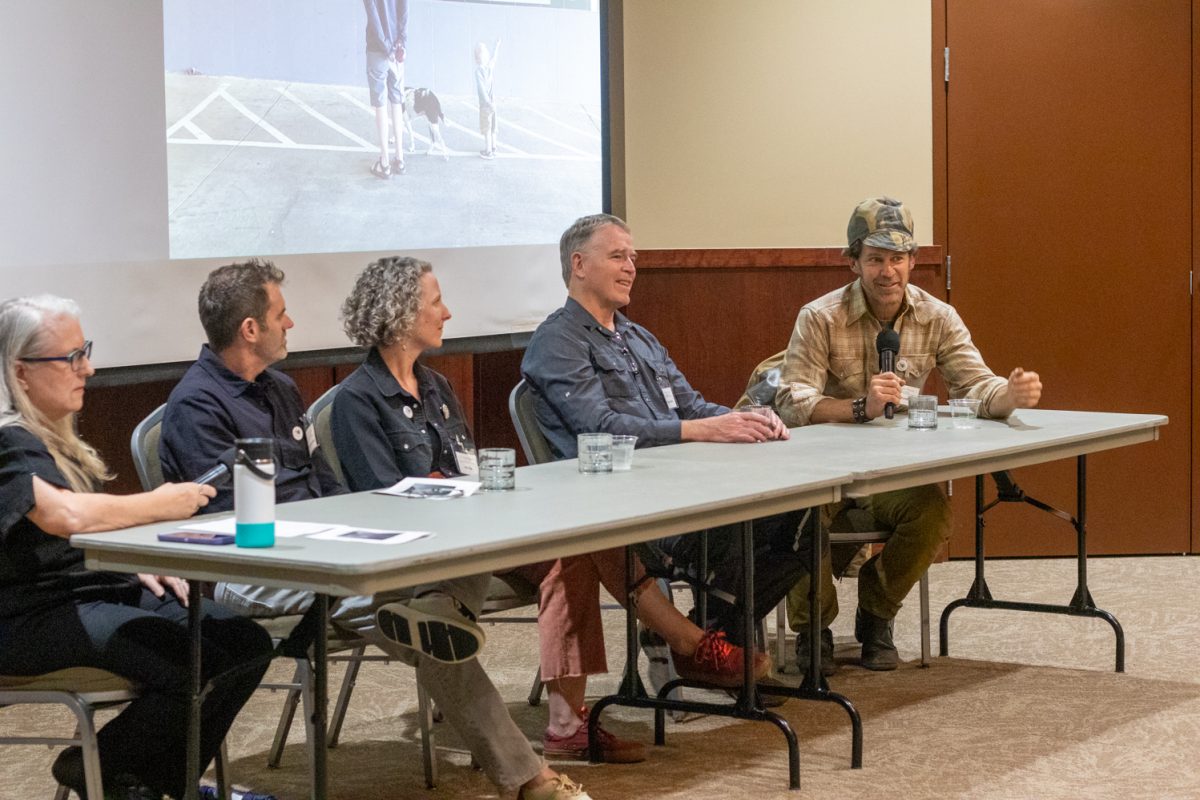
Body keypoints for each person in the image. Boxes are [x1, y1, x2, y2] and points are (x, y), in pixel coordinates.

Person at [158, 260, 589, 800]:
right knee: (422, 617)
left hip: (329, 554)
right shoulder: (196, 405)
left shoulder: (282, 390)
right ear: (250, 329)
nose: (290, 324)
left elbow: (323, 482)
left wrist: (354, 530)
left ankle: (525, 774)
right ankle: (529, 779)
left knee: (432, 601)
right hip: (254, 567)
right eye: (281, 314)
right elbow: (234, 519)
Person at [330, 256, 765, 768]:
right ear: (401, 314)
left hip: (478, 530)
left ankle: (568, 725)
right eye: (436, 301)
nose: (447, 313)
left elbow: (468, 470)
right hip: (426, 557)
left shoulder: (436, 388)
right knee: (577, 548)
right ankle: (685, 643)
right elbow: (383, 500)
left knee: (574, 549)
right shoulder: (357, 401)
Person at [0, 295, 273, 800]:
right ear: (21, 371)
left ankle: (151, 782)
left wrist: (135, 568)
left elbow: (83, 534)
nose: (89, 367)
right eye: (72, 357)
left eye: (86, 351)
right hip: (30, 616)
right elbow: (64, 516)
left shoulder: (53, 436)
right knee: (191, 661)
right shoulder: (7, 441)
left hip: (93, 591)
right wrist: (161, 504)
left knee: (244, 642)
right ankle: (100, 767)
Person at [768, 195, 1043, 673]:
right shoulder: (819, 316)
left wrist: (1008, 397)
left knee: (933, 513)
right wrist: (860, 407)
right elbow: (791, 401)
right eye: (875, 259)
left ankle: (877, 615)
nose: (887, 271)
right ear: (853, 262)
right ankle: (814, 629)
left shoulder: (937, 316)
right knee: (795, 517)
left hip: (891, 473)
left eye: (898, 259)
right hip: (821, 472)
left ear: (913, 261)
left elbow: (976, 384)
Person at [521, 213, 807, 659]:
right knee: (750, 519)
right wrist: (701, 429)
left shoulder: (638, 338)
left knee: (802, 513)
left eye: (633, 257)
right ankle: (707, 647)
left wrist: (751, 420)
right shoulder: (557, 341)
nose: (631, 267)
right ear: (579, 265)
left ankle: (704, 638)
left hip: (680, 484)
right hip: (628, 505)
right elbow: (601, 428)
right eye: (618, 256)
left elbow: (691, 405)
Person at [364, 0, 408, 178]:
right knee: (397, 102)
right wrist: (401, 42)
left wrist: (385, 47)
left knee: (380, 106)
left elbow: (372, 13)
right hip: (397, 50)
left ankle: (385, 163)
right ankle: (400, 158)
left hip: (378, 51)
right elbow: (404, 9)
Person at [474, 39, 501, 159]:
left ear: (476, 58)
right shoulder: (489, 67)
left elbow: (481, 90)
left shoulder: (478, 71)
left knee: (487, 128)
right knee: (493, 126)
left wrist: (488, 103)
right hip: (493, 102)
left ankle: (488, 151)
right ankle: (494, 147)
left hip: (486, 105)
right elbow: (494, 58)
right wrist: (497, 46)